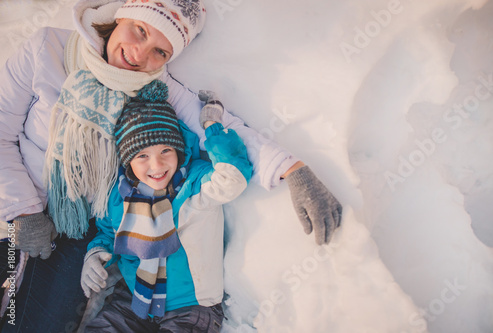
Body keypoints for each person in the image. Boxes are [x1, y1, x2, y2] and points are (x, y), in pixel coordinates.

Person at [0, 0, 342, 331]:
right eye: (140, 30)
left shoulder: (154, 88)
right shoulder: (46, 50)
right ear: (123, 13)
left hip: (77, 232)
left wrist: (291, 168)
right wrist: (24, 213)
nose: (139, 55)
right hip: (9, 211)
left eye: (160, 52)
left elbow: (226, 128)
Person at [80, 80, 251, 332]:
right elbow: (107, 233)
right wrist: (94, 256)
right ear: (128, 161)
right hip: (135, 299)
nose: (157, 165)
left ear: (178, 151)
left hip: (192, 306)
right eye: (142, 156)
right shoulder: (119, 196)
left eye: (166, 150)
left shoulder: (195, 184)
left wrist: (212, 125)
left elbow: (232, 176)